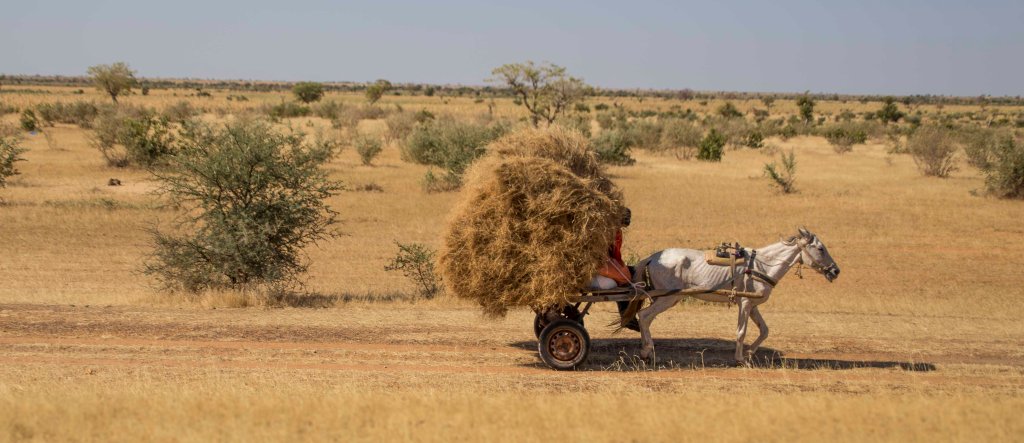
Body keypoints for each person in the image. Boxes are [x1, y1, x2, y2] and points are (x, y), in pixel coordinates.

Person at [587, 208, 640, 331]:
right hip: (598, 265)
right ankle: (626, 316)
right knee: (626, 279)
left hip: (602, 264)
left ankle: (627, 316)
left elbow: (615, 255)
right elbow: (611, 255)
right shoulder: (606, 231)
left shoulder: (610, 230)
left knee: (628, 274)